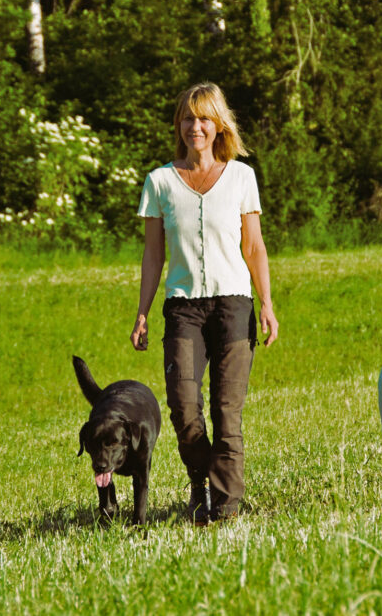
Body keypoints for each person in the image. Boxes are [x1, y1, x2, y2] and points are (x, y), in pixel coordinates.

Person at [130, 82, 279, 525]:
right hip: (183, 308)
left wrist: (266, 304)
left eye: (204, 118)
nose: (196, 126)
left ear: (218, 126)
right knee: (183, 407)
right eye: (188, 118)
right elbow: (153, 254)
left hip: (234, 306)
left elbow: (254, 247)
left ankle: (224, 506)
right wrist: (141, 311)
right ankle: (201, 483)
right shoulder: (158, 182)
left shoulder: (241, 177)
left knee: (226, 412)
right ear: (179, 125)